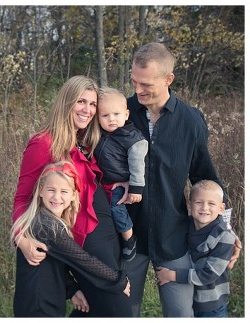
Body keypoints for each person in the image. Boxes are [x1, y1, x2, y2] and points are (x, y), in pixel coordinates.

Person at [124, 42, 242, 317]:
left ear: (168, 79)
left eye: (146, 84)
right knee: (122, 313)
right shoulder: (122, 114)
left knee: (181, 315)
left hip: (174, 236)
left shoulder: (191, 121)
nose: (138, 90)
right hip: (128, 236)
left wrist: (227, 229)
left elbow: (206, 177)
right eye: (134, 82)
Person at [13, 75, 133, 316]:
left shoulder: (86, 142)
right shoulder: (44, 143)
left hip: (107, 238)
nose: (87, 110)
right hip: (85, 243)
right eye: (81, 102)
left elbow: (90, 185)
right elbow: (23, 197)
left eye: (92, 104)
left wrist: (119, 184)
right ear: (66, 102)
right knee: (118, 312)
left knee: (94, 310)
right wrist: (21, 238)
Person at [11, 161, 130, 317]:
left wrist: (72, 289)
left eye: (64, 192)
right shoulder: (47, 226)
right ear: (40, 191)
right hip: (37, 307)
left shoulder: (45, 222)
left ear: (74, 195)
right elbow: (82, 260)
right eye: (51, 190)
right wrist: (119, 280)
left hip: (46, 303)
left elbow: (53, 264)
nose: (57, 197)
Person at [156, 180, 236, 317]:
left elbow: (208, 274)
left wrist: (172, 275)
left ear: (221, 208)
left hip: (212, 304)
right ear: (189, 204)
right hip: (192, 299)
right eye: (199, 202)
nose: (204, 208)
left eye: (211, 203)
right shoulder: (187, 225)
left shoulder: (224, 237)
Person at [94, 87, 148, 262]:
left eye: (116, 114)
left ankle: (129, 239)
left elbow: (137, 164)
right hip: (103, 182)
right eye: (105, 116)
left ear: (126, 114)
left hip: (120, 183)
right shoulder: (101, 134)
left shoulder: (132, 138)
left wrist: (136, 188)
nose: (111, 119)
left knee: (116, 208)